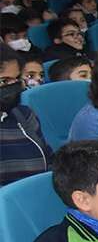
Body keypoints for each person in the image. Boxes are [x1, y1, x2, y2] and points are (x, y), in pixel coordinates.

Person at [0, 43, 53, 185]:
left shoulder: (24, 115)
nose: (14, 86)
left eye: (17, 78)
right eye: (4, 81)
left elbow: (49, 160)